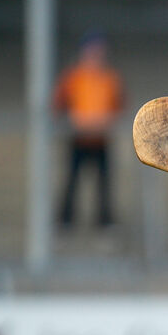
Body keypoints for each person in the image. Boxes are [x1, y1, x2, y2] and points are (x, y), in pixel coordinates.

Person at [52, 29, 125, 231]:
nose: (96, 55)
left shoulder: (110, 78)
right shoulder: (73, 77)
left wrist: (106, 121)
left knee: (104, 182)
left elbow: (119, 106)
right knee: (72, 180)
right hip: (78, 139)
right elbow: (59, 104)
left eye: (100, 51)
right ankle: (65, 220)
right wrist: (72, 121)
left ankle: (105, 221)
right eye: (92, 51)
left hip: (101, 140)